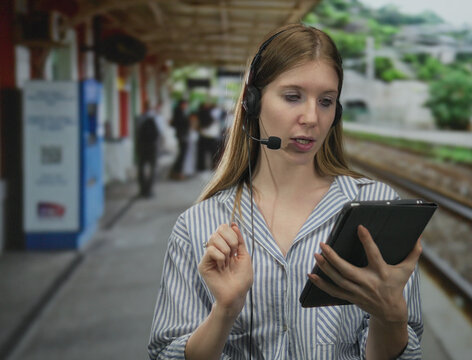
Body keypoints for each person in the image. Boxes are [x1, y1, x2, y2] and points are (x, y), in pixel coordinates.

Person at [148, 24, 423, 360]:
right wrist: (225, 311)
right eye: (292, 96)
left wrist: (390, 316)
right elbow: (165, 354)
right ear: (253, 102)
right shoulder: (197, 225)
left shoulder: (379, 207)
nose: (311, 117)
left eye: (326, 101)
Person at [136, 101, 160, 198]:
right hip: (153, 147)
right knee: (152, 168)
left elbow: (137, 133)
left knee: (141, 167)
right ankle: (149, 190)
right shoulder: (156, 118)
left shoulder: (140, 118)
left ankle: (142, 189)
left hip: (142, 146)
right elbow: (159, 133)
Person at [169, 99, 190, 180]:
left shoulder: (181, 113)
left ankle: (177, 171)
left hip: (182, 135)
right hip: (182, 135)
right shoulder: (179, 113)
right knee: (182, 154)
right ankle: (177, 172)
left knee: (182, 154)